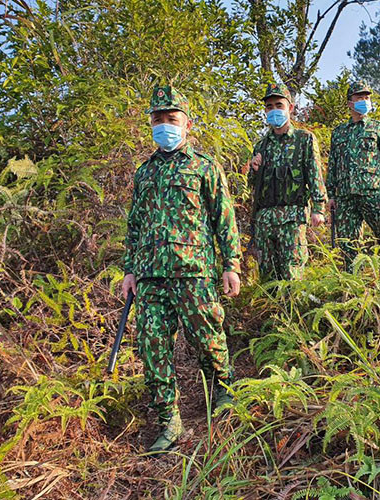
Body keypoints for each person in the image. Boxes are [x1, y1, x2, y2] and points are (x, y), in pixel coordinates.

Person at [121, 85, 242, 452]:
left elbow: (224, 219)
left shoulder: (204, 166)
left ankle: (222, 389)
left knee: (207, 337)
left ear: (187, 123)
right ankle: (168, 421)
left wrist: (231, 265)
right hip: (150, 277)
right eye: (158, 119)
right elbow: (135, 224)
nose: (164, 125)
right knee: (152, 346)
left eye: (171, 118)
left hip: (194, 272)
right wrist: (130, 270)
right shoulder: (144, 173)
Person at [248, 82, 327, 281]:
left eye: (279, 105)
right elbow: (253, 185)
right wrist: (254, 169)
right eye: (269, 106)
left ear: (290, 108)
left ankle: (293, 303)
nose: (274, 110)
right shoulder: (261, 146)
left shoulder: (304, 139)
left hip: (292, 218)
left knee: (292, 275)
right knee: (268, 278)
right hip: (265, 220)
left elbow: (314, 174)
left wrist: (318, 208)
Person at [326, 81, 380, 270]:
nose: (364, 100)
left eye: (367, 97)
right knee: (348, 244)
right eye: (359, 97)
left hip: (373, 192)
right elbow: (333, 165)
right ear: (350, 103)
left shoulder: (379, 128)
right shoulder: (338, 133)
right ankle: (353, 281)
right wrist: (331, 195)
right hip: (346, 197)